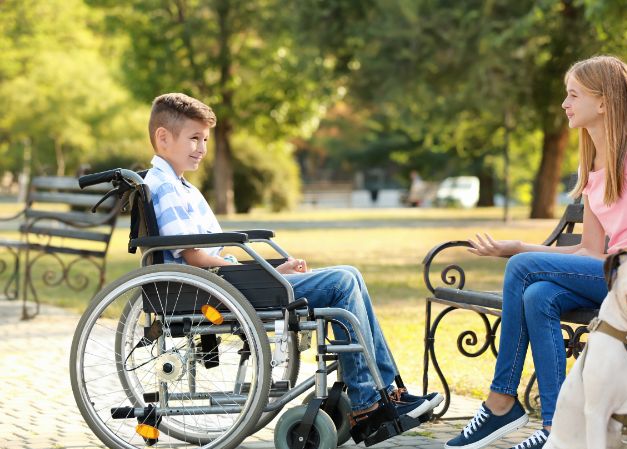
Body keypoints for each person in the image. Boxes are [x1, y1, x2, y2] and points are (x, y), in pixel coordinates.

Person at [144, 93, 442, 431]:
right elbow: (194, 255)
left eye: (206, 139)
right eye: (194, 138)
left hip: (223, 285)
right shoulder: (166, 188)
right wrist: (262, 275)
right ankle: (368, 401)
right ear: (164, 138)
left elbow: (205, 254)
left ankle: (389, 391)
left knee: (350, 276)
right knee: (342, 283)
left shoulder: (178, 187)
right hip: (214, 292)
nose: (202, 147)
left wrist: (269, 271)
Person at [444, 56, 627, 449]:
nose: (564, 104)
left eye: (573, 94)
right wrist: (518, 246)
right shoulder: (593, 166)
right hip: (615, 276)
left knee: (524, 272)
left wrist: (619, 259)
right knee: (538, 294)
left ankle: (501, 401)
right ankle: (557, 429)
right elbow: (588, 251)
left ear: (604, 102)